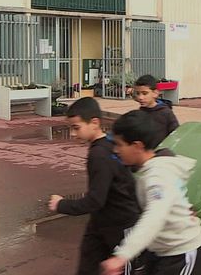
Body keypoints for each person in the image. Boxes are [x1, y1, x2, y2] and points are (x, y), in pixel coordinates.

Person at [101, 110, 201, 275]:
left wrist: (122, 256)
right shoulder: (151, 167)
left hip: (180, 252)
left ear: (137, 146)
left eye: (119, 144)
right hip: (160, 250)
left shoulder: (156, 176)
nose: (115, 150)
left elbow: (154, 217)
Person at [48, 97, 140, 275]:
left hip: (120, 226)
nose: (73, 134)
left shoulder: (99, 154)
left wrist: (61, 205)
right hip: (101, 223)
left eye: (76, 128)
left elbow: (95, 200)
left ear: (94, 123)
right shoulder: (110, 145)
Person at [134, 74, 179, 145]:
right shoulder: (140, 113)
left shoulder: (166, 113)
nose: (140, 97)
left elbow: (176, 134)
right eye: (138, 93)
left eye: (144, 93)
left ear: (155, 93)